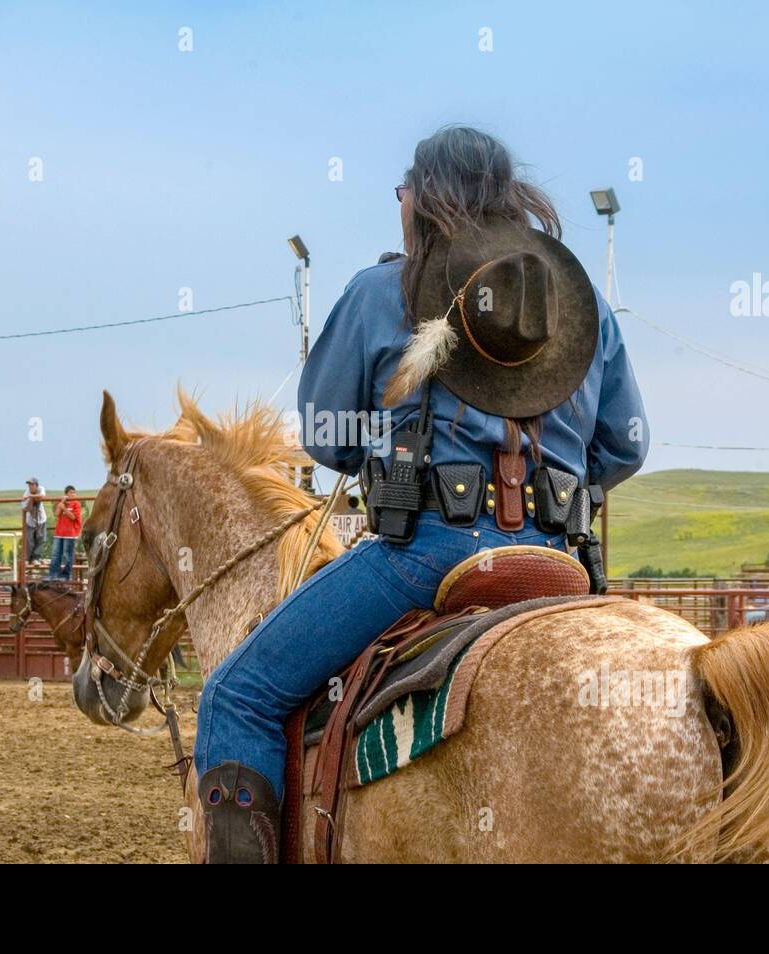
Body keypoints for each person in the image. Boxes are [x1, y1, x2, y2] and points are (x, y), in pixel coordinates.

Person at [191, 126, 648, 862]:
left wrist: (388, 455)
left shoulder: (381, 292)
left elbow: (325, 431)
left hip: (425, 556)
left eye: (403, 192)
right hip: (560, 564)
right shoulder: (582, 303)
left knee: (236, 696)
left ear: (423, 199)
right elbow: (627, 445)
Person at [47, 486, 82, 580]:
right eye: (71, 492)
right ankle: (53, 575)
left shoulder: (76, 504)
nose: (73, 494)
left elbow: (73, 517)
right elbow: (57, 514)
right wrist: (62, 503)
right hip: (59, 533)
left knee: (67, 555)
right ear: (66, 494)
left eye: (74, 492)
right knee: (55, 554)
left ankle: (66, 576)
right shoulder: (61, 503)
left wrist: (65, 509)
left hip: (70, 534)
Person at [22, 478, 48, 566]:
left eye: (32, 485)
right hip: (30, 520)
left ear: (37, 485)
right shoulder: (26, 493)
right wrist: (32, 499)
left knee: (41, 539)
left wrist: (31, 497)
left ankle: (36, 558)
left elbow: (42, 497)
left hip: (41, 519)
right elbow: (26, 508)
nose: (30, 487)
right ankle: (27, 558)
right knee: (29, 540)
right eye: (29, 485)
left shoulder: (41, 489)